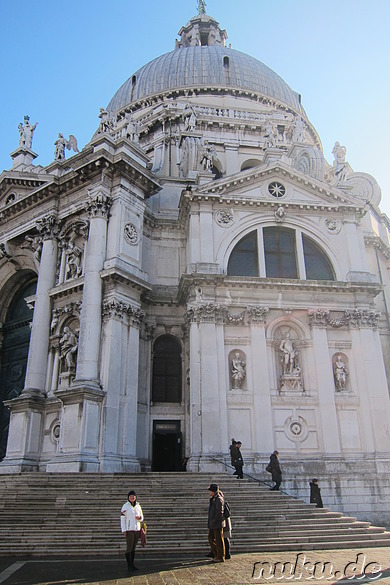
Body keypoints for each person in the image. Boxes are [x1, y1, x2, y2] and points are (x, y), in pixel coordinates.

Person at [120, 490, 144, 572]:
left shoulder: (138, 506)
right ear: (128, 497)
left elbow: (142, 518)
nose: (132, 498)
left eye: (133, 496)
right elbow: (122, 519)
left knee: (133, 547)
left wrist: (140, 518)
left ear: (135, 497)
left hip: (136, 529)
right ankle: (129, 565)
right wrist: (124, 530)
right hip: (129, 529)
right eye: (130, 496)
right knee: (129, 547)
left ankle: (132, 564)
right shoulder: (125, 506)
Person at [207, 483, 225, 562]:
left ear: (213, 491)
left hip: (217, 523)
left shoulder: (218, 499)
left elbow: (219, 512)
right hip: (213, 523)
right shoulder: (213, 498)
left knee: (219, 540)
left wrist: (214, 520)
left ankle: (220, 556)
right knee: (211, 538)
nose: (209, 493)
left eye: (210, 491)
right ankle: (216, 554)